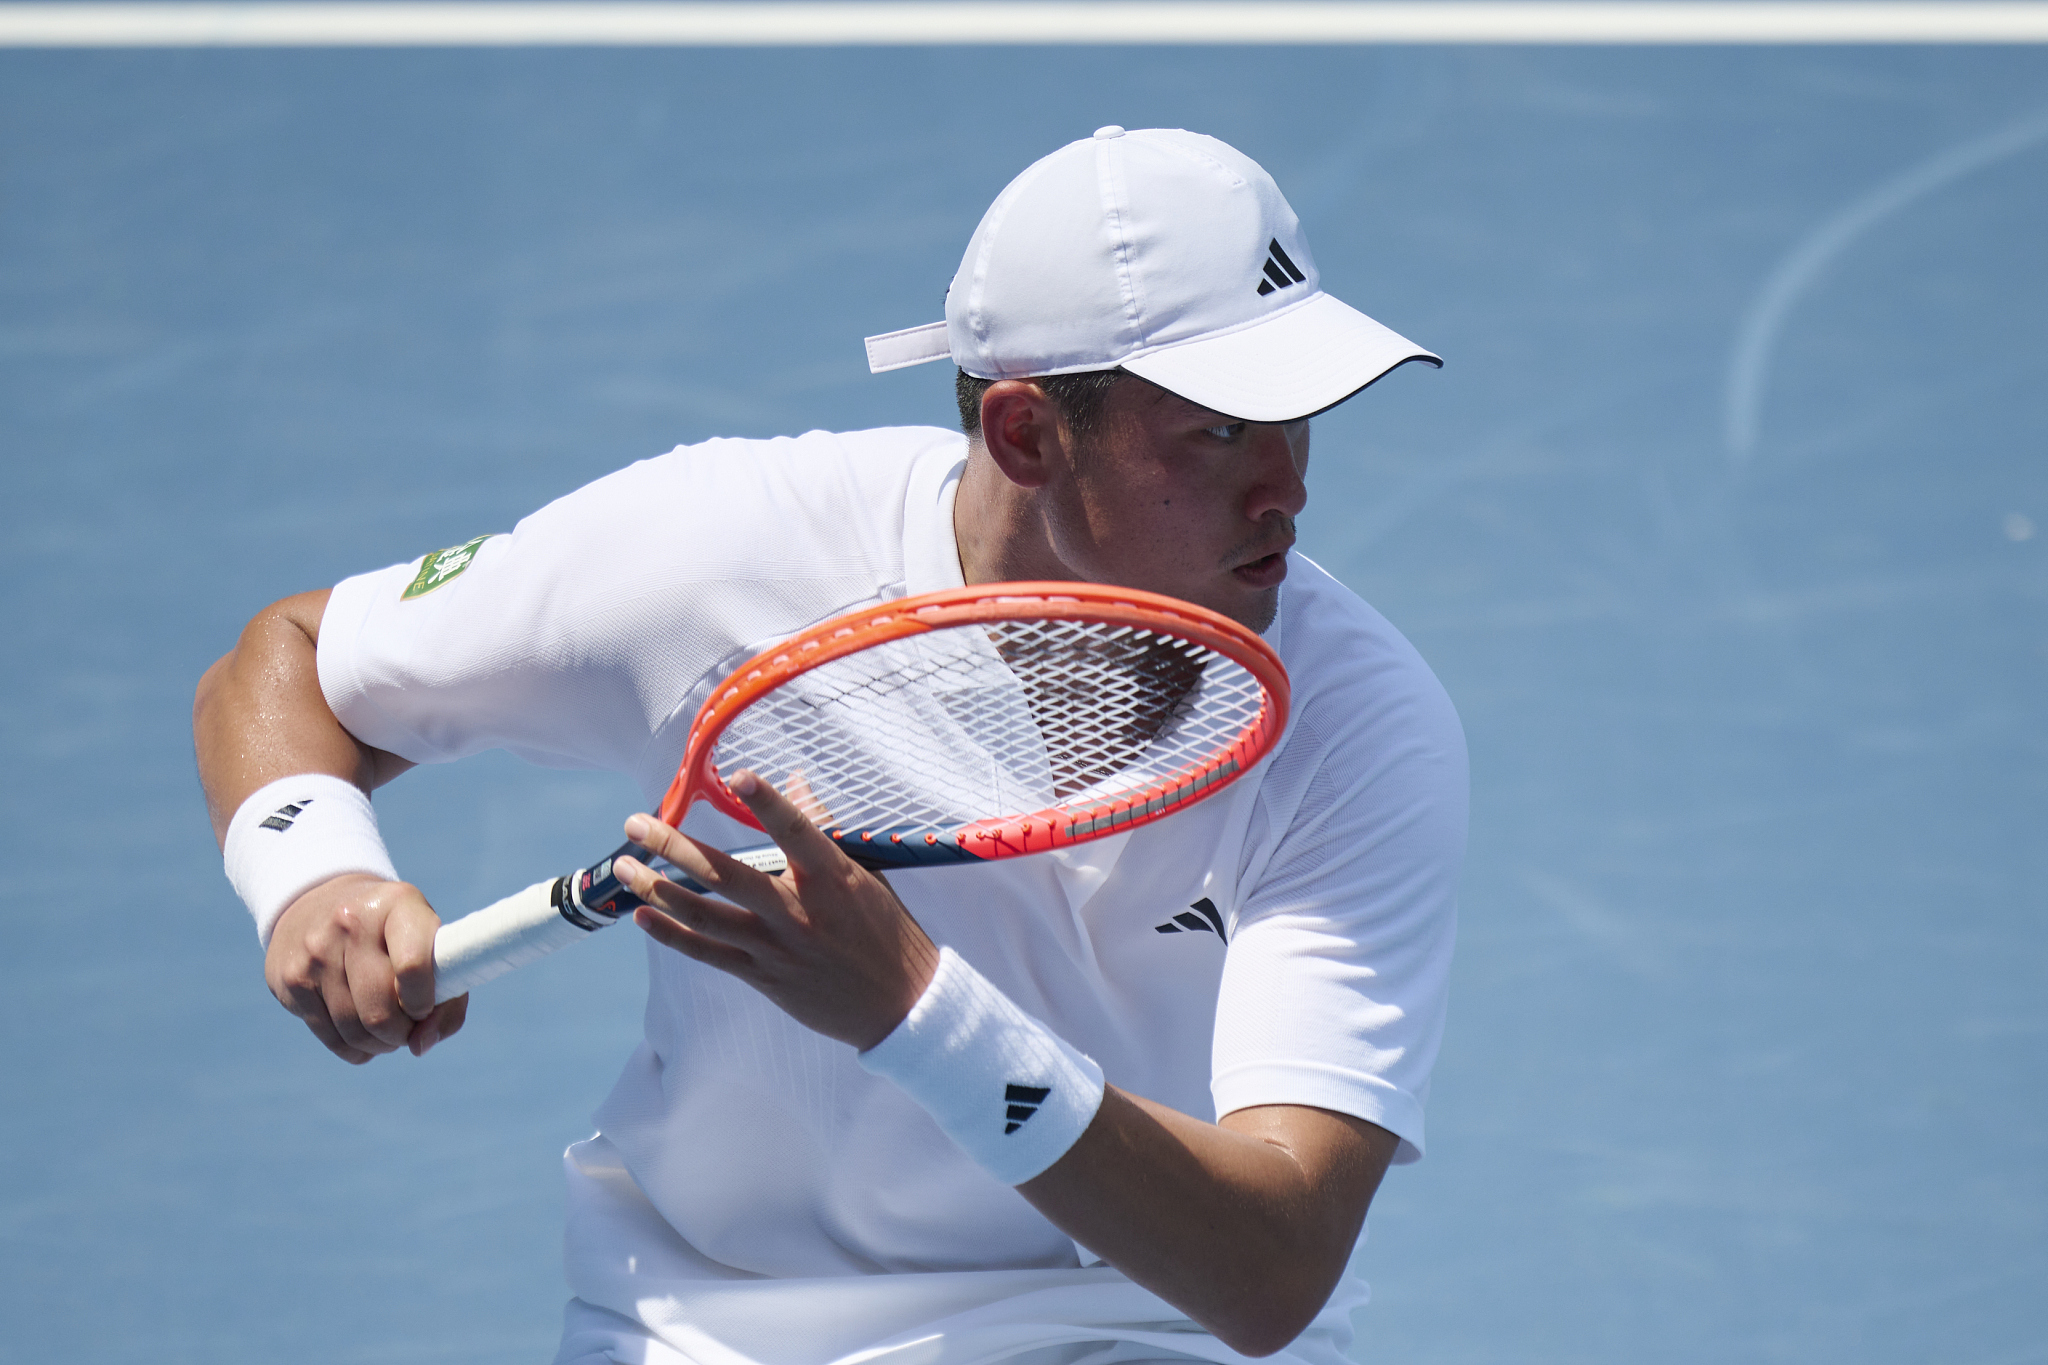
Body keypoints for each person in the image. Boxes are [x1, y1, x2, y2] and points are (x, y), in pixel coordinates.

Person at [193, 126, 1466, 1364]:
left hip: (1138, 1328)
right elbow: (294, 659)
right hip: (712, 1326)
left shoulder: (1355, 721)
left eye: (1296, 417)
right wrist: (317, 875)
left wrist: (912, 1008)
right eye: (1219, 429)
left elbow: (1271, 1267)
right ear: (1024, 433)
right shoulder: (717, 556)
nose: (1285, 487)